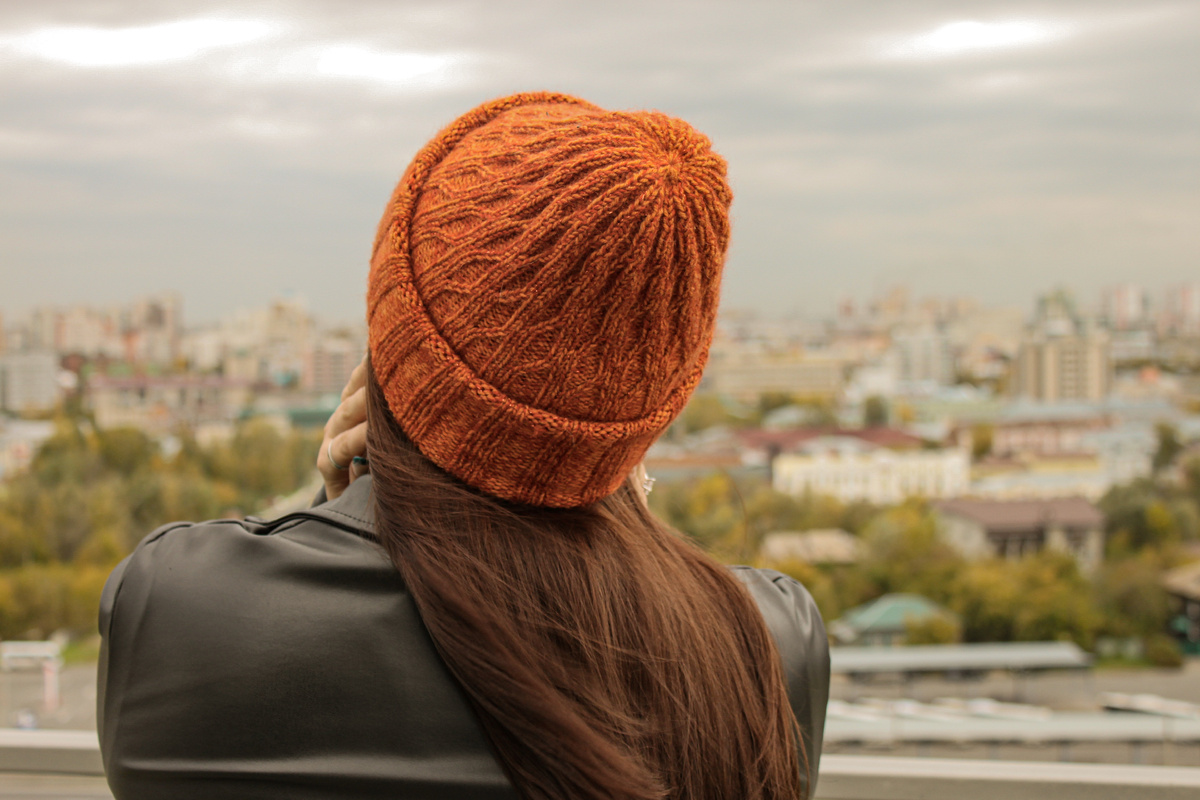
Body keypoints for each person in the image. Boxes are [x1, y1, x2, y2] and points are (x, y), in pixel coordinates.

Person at [97, 92, 829, 800]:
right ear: (642, 414)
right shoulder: (763, 652)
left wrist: (340, 503)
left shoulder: (181, 610)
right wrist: (619, 508)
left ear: (386, 351)